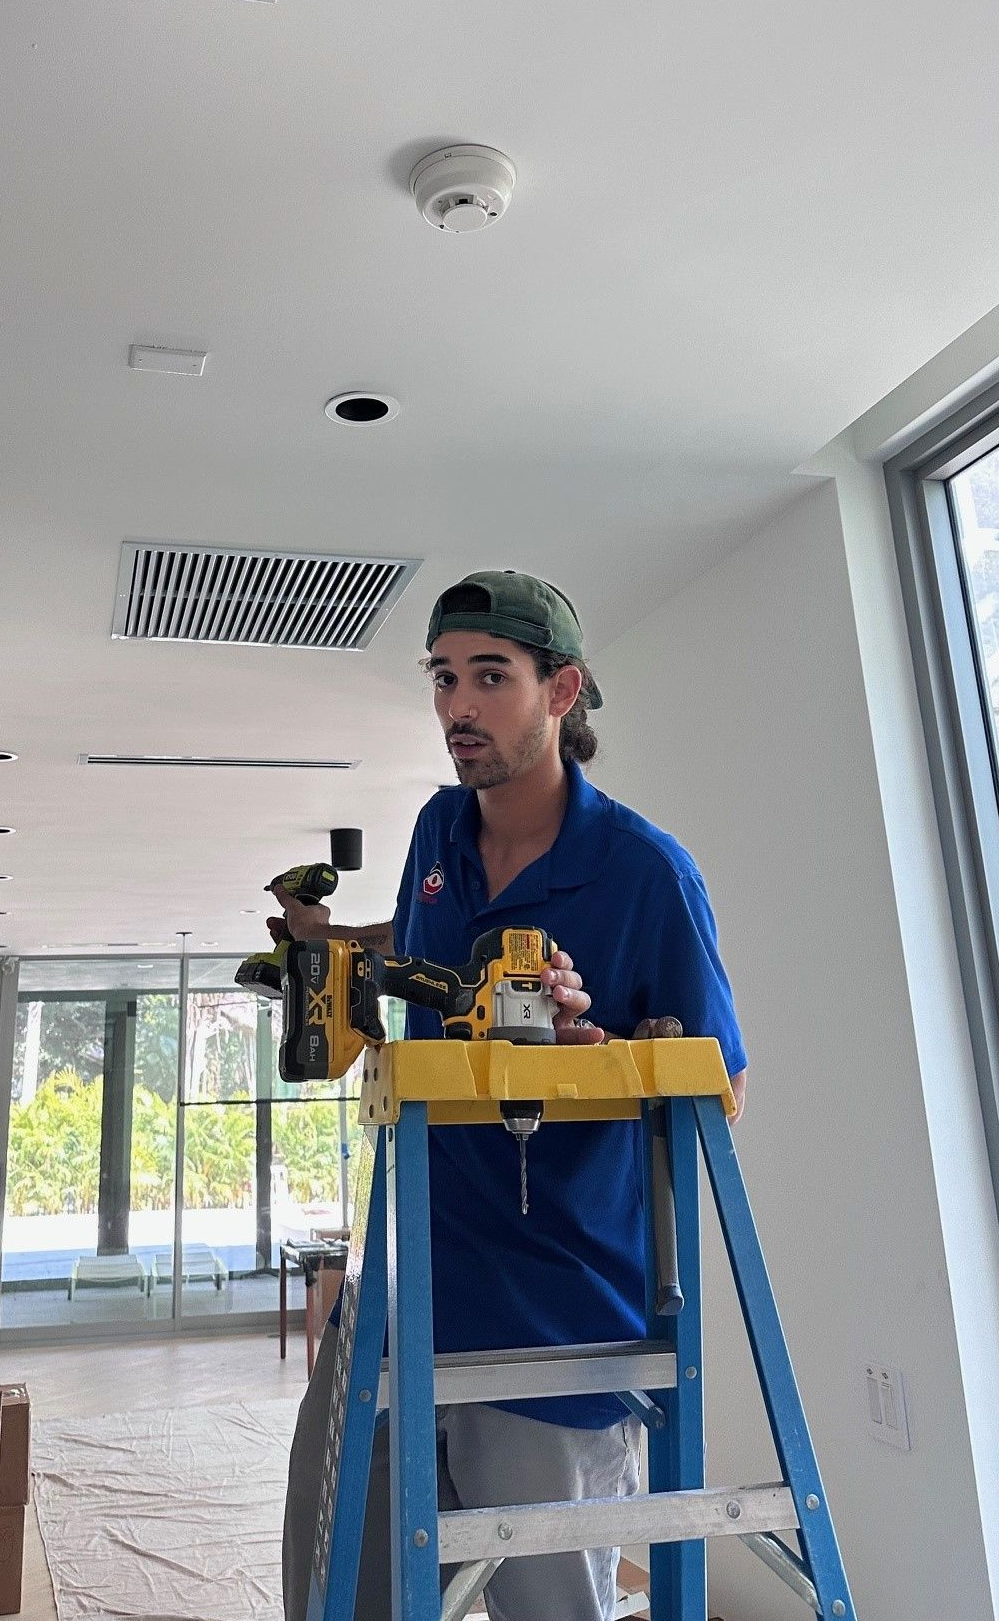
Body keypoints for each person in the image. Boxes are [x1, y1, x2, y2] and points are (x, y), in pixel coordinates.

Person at [277, 570, 748, 1621]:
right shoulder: (438, 833)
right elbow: (418, 949)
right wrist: (332, 954)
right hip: (401, 1294)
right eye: (444, 677)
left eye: (491, 676)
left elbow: (725, 1098)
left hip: (558, 1327)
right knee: (333, 1595)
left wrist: (597, 1052)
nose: (459, 706)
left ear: (563, 689)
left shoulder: (646, 873)